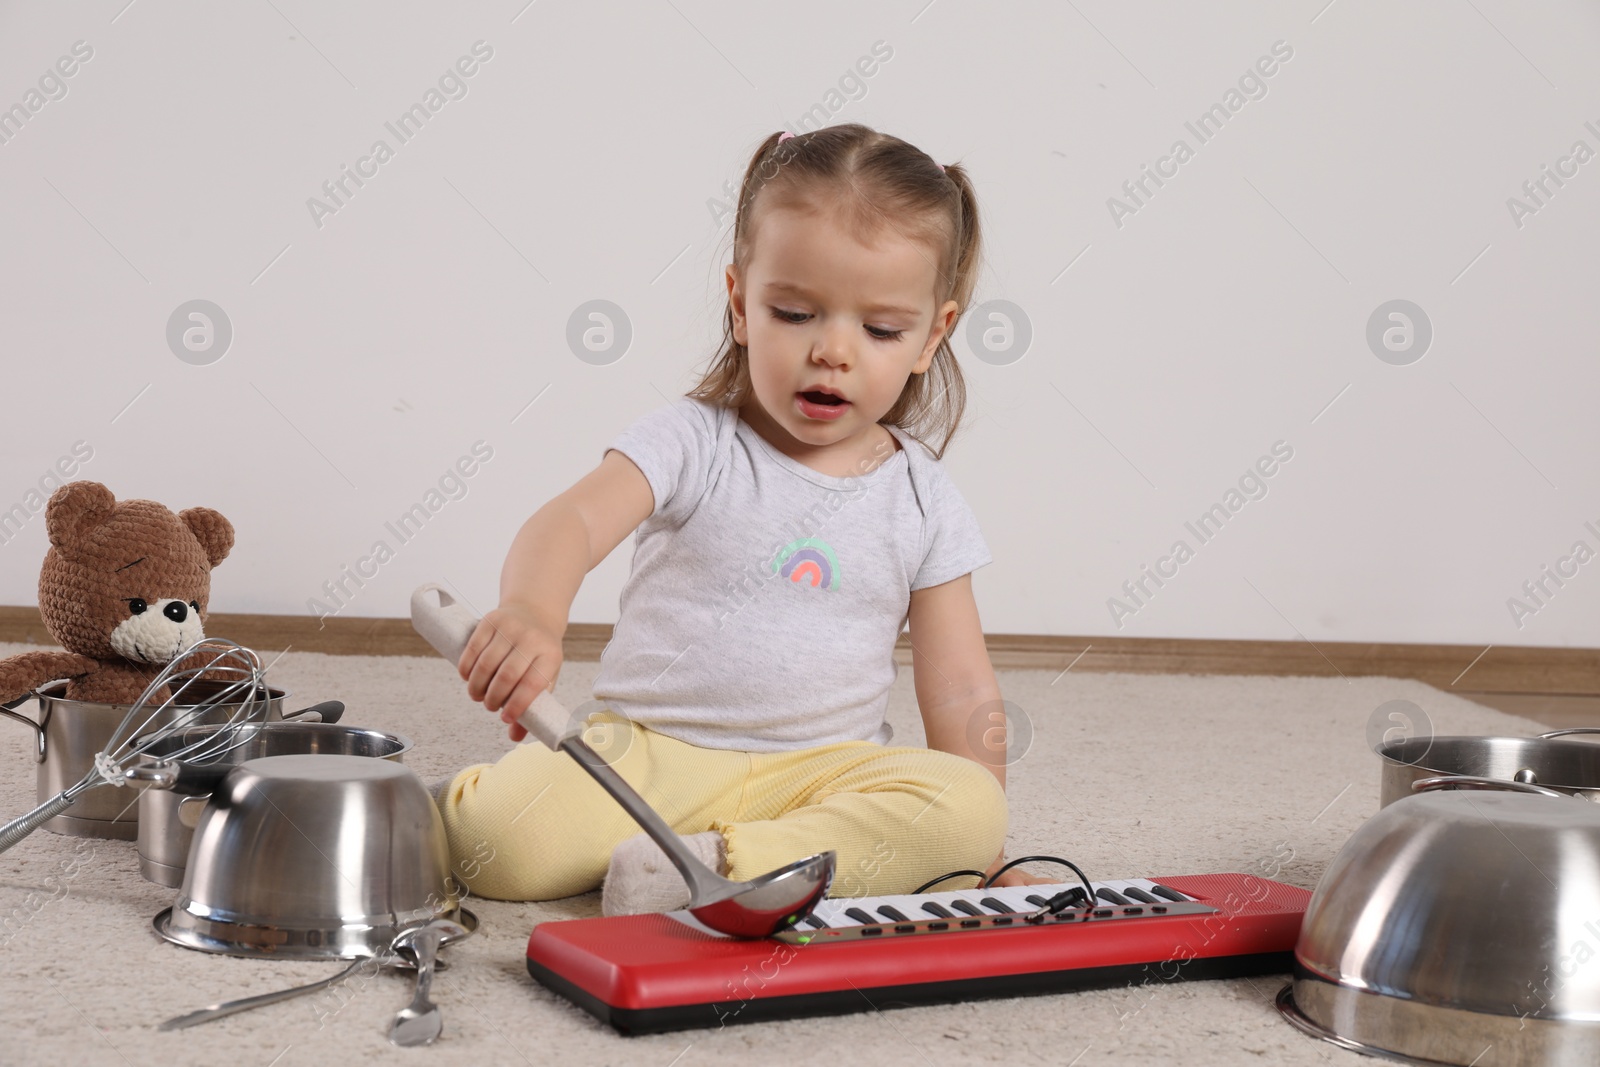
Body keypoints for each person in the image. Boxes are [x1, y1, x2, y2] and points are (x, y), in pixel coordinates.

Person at [436, 123, 1050, 913]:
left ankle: (717, 864)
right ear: (739, 304)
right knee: (498, 843)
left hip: (825, 772)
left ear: (933, 335)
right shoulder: (694, 441)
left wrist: (985, 854)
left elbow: (963, 688)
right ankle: (709, 860)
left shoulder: (924, 495)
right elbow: (571, 524)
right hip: (650, 752)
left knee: (965, 808)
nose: (833, 350)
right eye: (794, 312)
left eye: (880, 329)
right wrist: (531, 610)